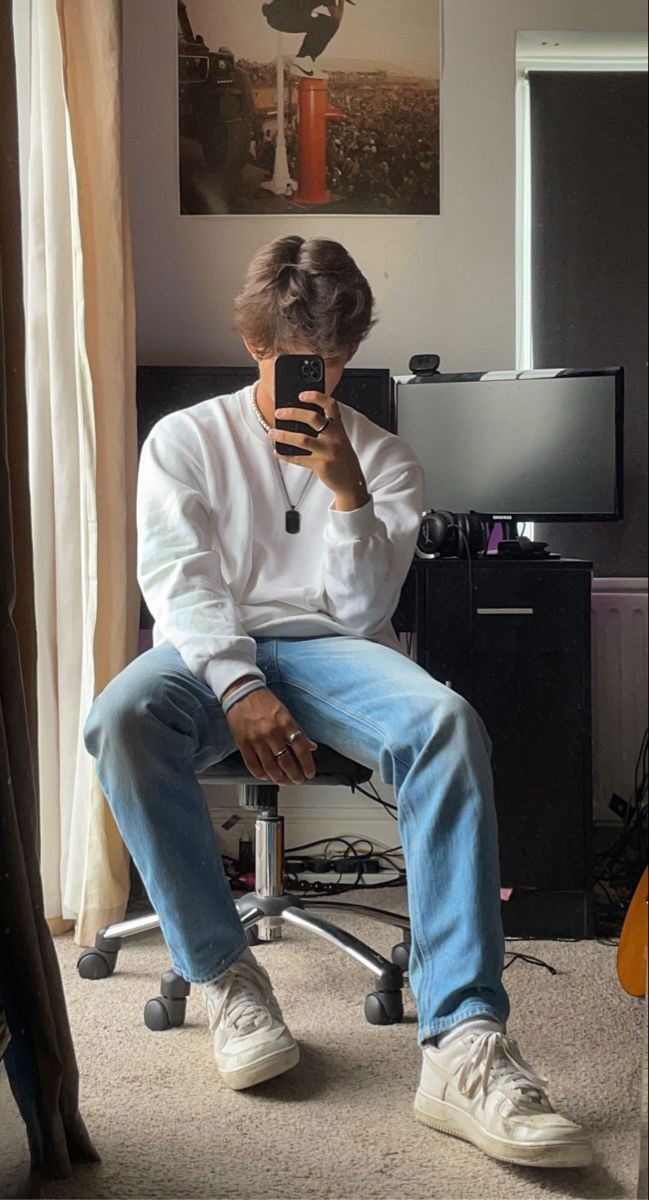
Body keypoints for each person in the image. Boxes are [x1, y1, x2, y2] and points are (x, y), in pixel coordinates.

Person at [83, 235, 592, 1170]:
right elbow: (181, 584)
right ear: (254, 345)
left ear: (350, 352)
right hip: (209, 649)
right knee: (120, 718)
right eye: (291, 356)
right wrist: (239, 683)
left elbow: (360, 613)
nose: (311, 376)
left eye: (330, 357)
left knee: (445, 723)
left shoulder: (385, 459)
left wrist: (348, 495)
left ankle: (462, 1038)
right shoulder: (185, 440)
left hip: (333, 651)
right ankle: (226, 977)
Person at [261, 1, 347, 74]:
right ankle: (304, 58)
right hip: (285, 16)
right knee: (330, 24)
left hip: (274, 16)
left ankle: (303, 59)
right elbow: (337, 17)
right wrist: (341, 2)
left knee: (320, 22)